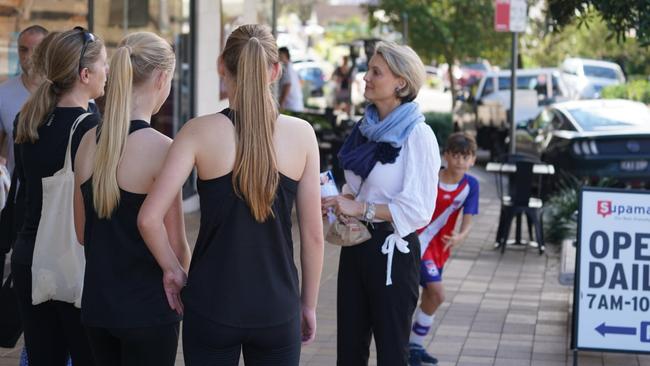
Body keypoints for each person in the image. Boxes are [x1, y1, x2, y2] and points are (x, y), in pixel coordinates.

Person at [138, 24, 324, 365]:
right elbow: (313, 236)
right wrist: (308, 304)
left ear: (221, 65)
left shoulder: (197, 131)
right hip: (277, 306)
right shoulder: (302, 135)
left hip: (211, 303)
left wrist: (173, 271)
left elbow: (149, 219)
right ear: (276, 70)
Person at [72, 32, 188, 366]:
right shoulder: (163, 149)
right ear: (162, 79)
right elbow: (178, 244)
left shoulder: (86, 144)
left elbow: (82, 234)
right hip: (151, 309)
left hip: (97, 308)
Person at [322, 41, 441, 366]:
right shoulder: (365, 128)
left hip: (394, 252)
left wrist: (360, 209)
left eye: (376, 72)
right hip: (356, 244)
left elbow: (420, 209)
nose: (366, 78)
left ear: (401, 82)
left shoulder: (418, 134)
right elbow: (357, 186)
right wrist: (340, 200)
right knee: (349, 351)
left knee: (391, 354)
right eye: (368, 70)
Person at [12, 27, 107, 365]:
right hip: (73, 262)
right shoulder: (91, 128)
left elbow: (21, 197)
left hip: (31, 258)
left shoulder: (28, 117)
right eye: (103, 66)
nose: (106, 73)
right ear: (84, 74)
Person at [408, 133, 479, 366]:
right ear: (446, 156)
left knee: (430, 296)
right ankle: (410, 346)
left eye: (465, 156)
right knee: (438, 293)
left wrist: (460, 235)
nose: (459, 161)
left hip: (441, 247)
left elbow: (468, 219)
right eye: (455, 155)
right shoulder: (431, 177)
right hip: (417, 244)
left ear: (473, 160)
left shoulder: (471, 185)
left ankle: (414, 346)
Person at [0, 25, 48, 173]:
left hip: (58, 192)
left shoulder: (66, 90)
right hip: (17, 191)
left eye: (36, 49)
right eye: (23, 49)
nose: (29, 56)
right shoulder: (3, 93)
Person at [278, 46, 304, 112]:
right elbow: (301, 82)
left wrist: (280, 104)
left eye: (280, 56)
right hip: (296, 105)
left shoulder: (286, 69)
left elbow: (287, 85)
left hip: (290, 106)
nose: (279, 58)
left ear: (286, 56)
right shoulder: (291, 68)